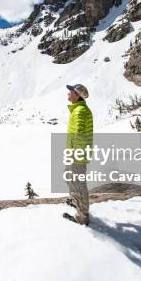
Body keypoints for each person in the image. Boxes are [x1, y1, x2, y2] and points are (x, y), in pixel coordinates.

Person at [63, 84, 93, 225]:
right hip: (74, 151)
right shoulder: (78, 109)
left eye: (71, 91)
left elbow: (79, 134)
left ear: (77, 95)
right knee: (69, 177)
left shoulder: (80, 111)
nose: (68, 93)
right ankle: (76, 201)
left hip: (77, 154)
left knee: (78, 183)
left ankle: (82, 217)